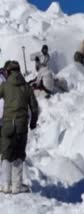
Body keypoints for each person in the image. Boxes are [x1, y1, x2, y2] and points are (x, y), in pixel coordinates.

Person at [0, 61, 39, 194]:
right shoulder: (27, 87)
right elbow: (35, 108)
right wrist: (33, 123)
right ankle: (16, 186)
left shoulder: (4, 86)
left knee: (6, 153)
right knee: (18, 154)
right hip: (21, 125)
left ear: (9, 72)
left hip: (6, 124)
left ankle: (5, 185)